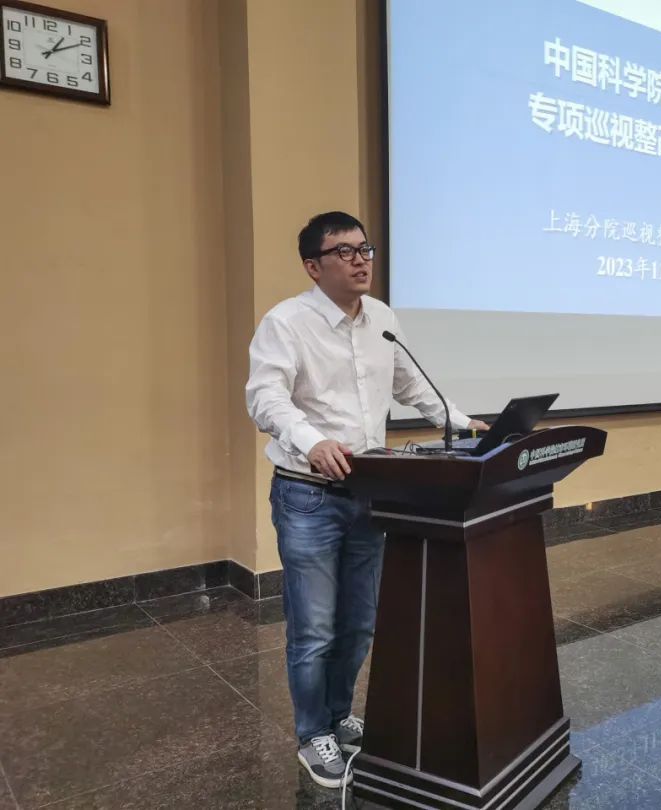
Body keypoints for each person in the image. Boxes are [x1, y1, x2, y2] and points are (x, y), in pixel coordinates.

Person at [246, 211, 487, 789]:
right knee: (314, 628)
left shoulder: (381, 318)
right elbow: (265, 398)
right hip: (308, 495)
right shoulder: (286, 322)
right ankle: (313, 734)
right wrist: (311, 440)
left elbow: (411, 385)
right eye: (345, 251)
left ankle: (338, 715)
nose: (361, 260)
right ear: (314, 266)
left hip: (371, 493)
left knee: (358, 623)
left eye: (365, 249)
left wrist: (460, 422)